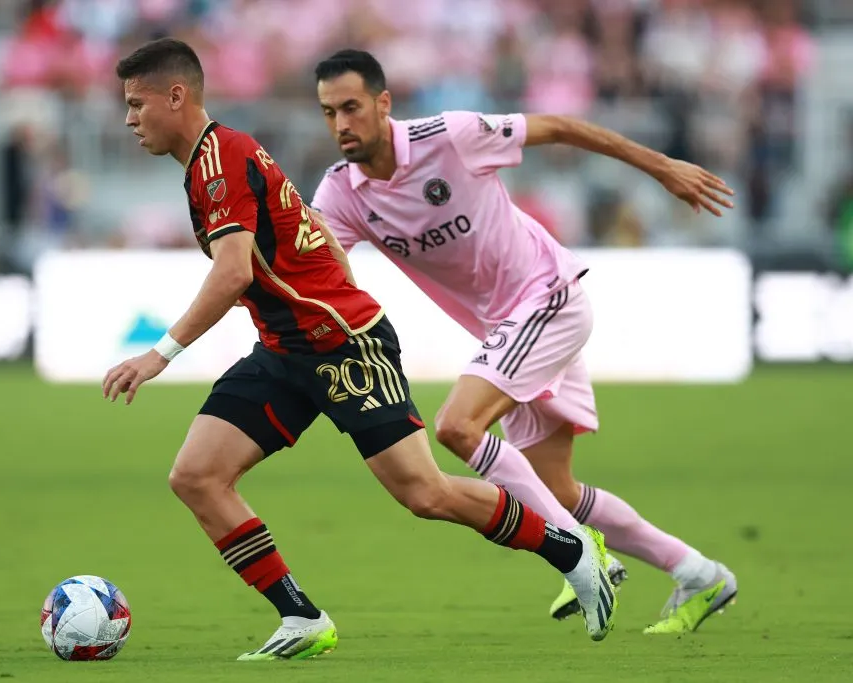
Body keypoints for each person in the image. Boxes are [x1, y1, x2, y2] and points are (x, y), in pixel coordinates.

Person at [100, 38, 619, 661]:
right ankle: (300, 617)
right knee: (196, 476)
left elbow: (234, 270)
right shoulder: (210, 163)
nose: (129, 118)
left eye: (136, 103)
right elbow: (312, 231)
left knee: (425, 494)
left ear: (176, 96)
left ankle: (571, 551)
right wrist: (326, 278)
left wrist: (160, 354)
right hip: (287, 348)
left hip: (344, 346)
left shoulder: (221, 160)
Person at [309, 49, 738, 635]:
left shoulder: (453, 135)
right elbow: (317, 269)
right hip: (509, 330)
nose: (340, 125)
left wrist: (661, 167)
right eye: (329, 112)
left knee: (458, 427)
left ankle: (580, 551)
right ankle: (700, 573)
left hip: (548, 298)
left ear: (384, 104)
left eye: (351, 108)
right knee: (555, 487)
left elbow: (559, 127)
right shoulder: (341, 192)